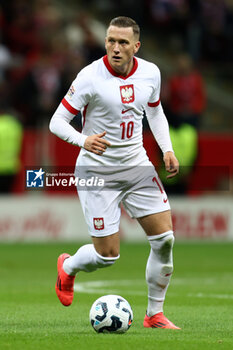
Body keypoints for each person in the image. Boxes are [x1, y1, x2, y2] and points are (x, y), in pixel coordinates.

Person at [49, 16, 180, 329]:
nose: (116, 48)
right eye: (111, 41)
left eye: (123, 42)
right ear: (105, 42)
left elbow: (155, 111)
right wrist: (84, 140)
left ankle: (154, 315)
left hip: (137, 166)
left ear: (136, 46)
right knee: (107, 255)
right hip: (98, 173)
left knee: (165, 240)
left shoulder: (150, 72)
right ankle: (68, 266)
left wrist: (167, 149)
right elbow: (56, 122)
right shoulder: (89, 77)